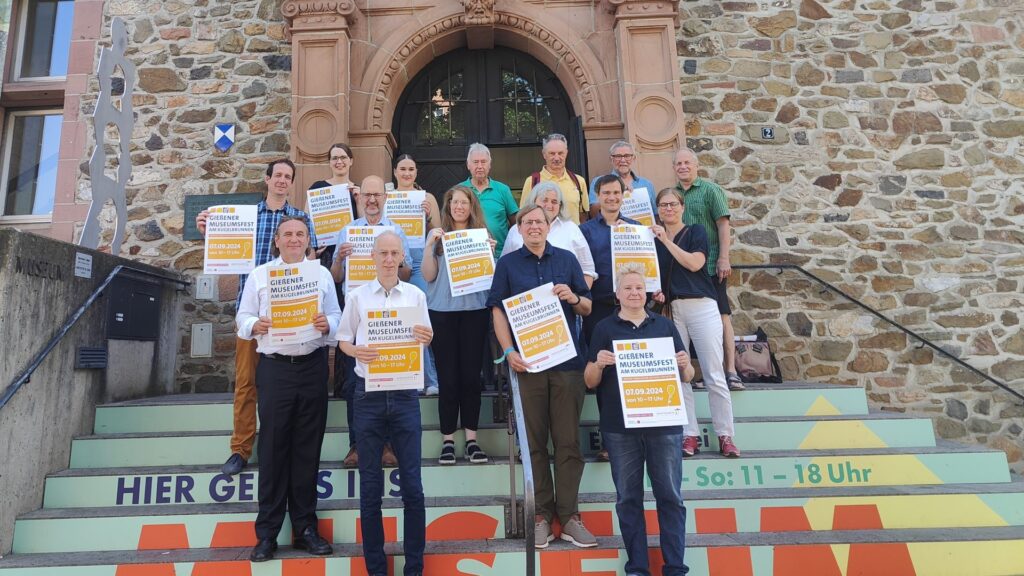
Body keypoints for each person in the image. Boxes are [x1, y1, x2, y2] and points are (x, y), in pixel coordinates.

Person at [195, 158, 317, 477]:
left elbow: (312, 263)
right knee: (247, 383)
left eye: (288, 177)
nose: (282, 181)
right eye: (277, 175)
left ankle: (277, 445)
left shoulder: (301, 219)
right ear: (267, 179)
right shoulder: (246, 217)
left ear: (292, 183)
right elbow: (224, 249)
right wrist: (210, 230)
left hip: (291, 316)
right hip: (250, 313)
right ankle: (241, 449)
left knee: (281, 387)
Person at [487, 203, 597, 549]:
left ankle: (569, 517)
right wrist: (508, 352)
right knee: (533, 444)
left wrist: (573, 296)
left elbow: (588, 306)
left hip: (567, 366)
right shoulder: (507, 264)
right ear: (519, 229)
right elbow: (498, 311)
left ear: (549, 227)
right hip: (528, 365)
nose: (534, 226)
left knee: (568, 443)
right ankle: (540, 517)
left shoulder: (566, 259)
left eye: (540, 222)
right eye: (528, 222)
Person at [235, 215, 341, 562]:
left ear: (308, 240)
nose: (294, 239)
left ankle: (305, 529)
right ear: (276, 241)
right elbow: (242, 318)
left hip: (311, 367)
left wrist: (329, 323)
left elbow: (337, 316)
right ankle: (266, 533)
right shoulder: (260, 275)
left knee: (307, 450)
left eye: (300, 234)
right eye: (288, 234)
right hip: (276, 369)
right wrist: (256, 324)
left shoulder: (322, 274)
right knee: (273, 450)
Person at [584, 263, 692, 576]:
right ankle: (638, 568)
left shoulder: (665, 327)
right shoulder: (604, 329)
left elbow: (687, 375)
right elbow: (589, 381)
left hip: (664, 425)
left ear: (645, 293)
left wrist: (685, 365)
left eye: (638, 288)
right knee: (628, 499)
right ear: (617, 295)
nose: (634, 293)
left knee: (670, 498)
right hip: (620, 428)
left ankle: (675, 567)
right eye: (627, 288)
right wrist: (599, 364)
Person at [337, 231, 433, 576]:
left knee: (413, 487)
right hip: (369, 395)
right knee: (370, 488)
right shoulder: (358, 297)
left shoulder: (416, 295)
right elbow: (343, 339)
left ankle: (414, 568)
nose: (390, 259)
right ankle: (376, 569)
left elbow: (426, 336)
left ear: (402, 258)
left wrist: (429, 335)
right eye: (384, 253)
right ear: (373, 257)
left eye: (395, 253)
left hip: (406, 394)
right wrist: (354, 351)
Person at [330, 174, 413, 468]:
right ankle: (357, 446)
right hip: (359, 317)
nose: (372, 200)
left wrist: (396, 260)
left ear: (385, 198)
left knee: (388, 382)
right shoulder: (347, 232)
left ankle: (387, 446)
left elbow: (407, 275)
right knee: (356, 385)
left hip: (391, 317)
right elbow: (336, 278)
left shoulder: (396, 231)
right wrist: (339, 259)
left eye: (377, 194)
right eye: (367, 194)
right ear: (359, 197)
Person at [652, 187, 740, 458]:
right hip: (673, 308)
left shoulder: (696, 232)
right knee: (680, 373)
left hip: (702, 304)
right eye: (663, 205)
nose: (668, 209)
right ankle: (689, 435)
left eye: (673, 204)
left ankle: (726, 435)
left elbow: (694, 263)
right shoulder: (654, 239)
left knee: (713, 373)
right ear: (658, 210)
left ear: (682, 207)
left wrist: (666, 241)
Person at [421, 185, 494, 465]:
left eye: (464, 202)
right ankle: (448, 440)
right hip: (442, 312)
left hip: (474, 311)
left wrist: (490, 253)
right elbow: (428, 276)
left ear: (471, 207)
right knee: (448, 378)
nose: (459, 207)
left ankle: (472, 440)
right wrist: (429, 247)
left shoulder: (482, 237)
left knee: (470, 378)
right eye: (454, 203)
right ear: (448, 207)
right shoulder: (437, 237)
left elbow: (491, 278)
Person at [579, 173, 641, 461]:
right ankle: (609, 440)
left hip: (632, 311)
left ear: (623, 195)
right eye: (606, 193)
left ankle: (638, 433)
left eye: (616, 193)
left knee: (633, 372)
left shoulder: (638, 229)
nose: (612, 198)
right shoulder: (586, 231)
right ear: (597, 196)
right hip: (600, 311)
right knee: (603, 374)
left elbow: (646, 273)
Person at [673, 148, 744, 391]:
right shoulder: (673, 195)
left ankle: (731, 371)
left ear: (696, 166)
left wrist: (724, 257)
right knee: (690, 321)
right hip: (684, 267)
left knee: (722, 316)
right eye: (678, 164)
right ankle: (700, 373)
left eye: (687, 163)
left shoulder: (711, 191)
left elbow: (723, 225)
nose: (683, 167)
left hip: (712, 264)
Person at [309, 143, 360, 398]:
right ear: (330, 162)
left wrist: (358, 198)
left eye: (343, 157)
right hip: (328, 257)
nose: (339, 162)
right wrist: (312, 247)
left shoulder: (357, 191)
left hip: (354, 260)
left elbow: (364, 225)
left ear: (351, 161)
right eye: (334, 158)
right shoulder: (318, 188)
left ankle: (346, 383)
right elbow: (309, 221)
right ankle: (329, 383)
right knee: (331, 315)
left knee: (350, 318)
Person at [392, 154, 441, 396]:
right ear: (395, 172)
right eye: (403, 169)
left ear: (416, 172)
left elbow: (438, 233)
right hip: (394, 259)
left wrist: (428, 216)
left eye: (411, 169)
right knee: (396, 318)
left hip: (421, 257)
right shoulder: (387, 197)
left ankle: (430, 380)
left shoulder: (427, 197)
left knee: (420, 319)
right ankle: (402, 374)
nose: (407, 173)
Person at [501, 181, 597, 285]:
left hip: (564, 299)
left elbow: (588, 270)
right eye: (544, 200)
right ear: (533, 202)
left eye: (554, 202)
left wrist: (577, 297)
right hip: (525, 299)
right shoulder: (516, 230)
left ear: (560, 206)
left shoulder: (571, 229)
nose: (549, 205)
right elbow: (503, 269)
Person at [460, 143, 518, 257]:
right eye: (475, 162)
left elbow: (515, 223)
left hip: (500, 255)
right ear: (468, 165)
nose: (480, 166)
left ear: (490, 165)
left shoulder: (502, 189)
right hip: (467, 257)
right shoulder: (458, 190)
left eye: (484, 161)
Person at [519, 133, 589, 224]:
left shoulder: (579, 181)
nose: (556, 158)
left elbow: (583, 215)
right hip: (543, 237)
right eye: (552, 153)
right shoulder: (532, 181)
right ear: (544, 154)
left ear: (566, 153)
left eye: (560, 153)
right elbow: (524, 214)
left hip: (571, 237)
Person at [587, 141, 657, 219]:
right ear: (611, 159)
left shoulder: (647, 184)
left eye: (627, 156)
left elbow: (655, 214)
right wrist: (615, 194)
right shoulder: (599, 182)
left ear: (634, 158)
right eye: (618, 156)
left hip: (641, 230)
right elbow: (593, 213)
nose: (623, 160)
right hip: (610, 230)